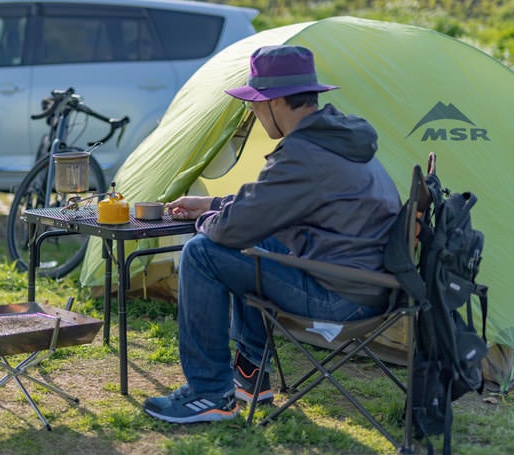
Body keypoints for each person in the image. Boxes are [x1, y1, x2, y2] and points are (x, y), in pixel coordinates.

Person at [142, 45, 402, 424]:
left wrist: (207, 222)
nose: (252, 113)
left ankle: (209, 394)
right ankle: (249, 375)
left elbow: (233, 229)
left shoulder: (305, 152)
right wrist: (213, 203)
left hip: (343, 298)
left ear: (275, 102)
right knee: (254, 243)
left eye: (254, 105)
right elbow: (270, 203)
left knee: (203, 253)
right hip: (368, 283)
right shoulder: (337, 138)